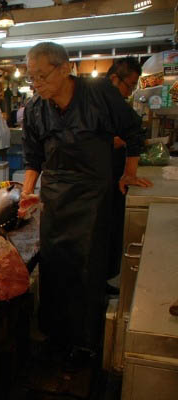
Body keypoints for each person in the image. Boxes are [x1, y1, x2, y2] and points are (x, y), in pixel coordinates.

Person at [19, 42, 151, 371]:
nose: (37, 84)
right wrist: (26, 192)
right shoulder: (36, 108)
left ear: (65, 69)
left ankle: (85, 343)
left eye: (42, 76)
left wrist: (129, 173)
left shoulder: (98, 94)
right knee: (53, 267)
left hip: (93, 195)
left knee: (87, 269)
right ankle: (54, 337)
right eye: (31, 78)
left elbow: (133, 130)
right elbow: (34, 157)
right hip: (56, 196)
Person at [106, 57, 143, 285]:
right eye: (129, 86)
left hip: (113, 180)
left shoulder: (119, 106)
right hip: (93, 181)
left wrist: (129, 173)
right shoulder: (94, 102)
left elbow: (135, 135)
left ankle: (106, 281)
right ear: (113, 79)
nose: (130, 93)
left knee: (111, 232)